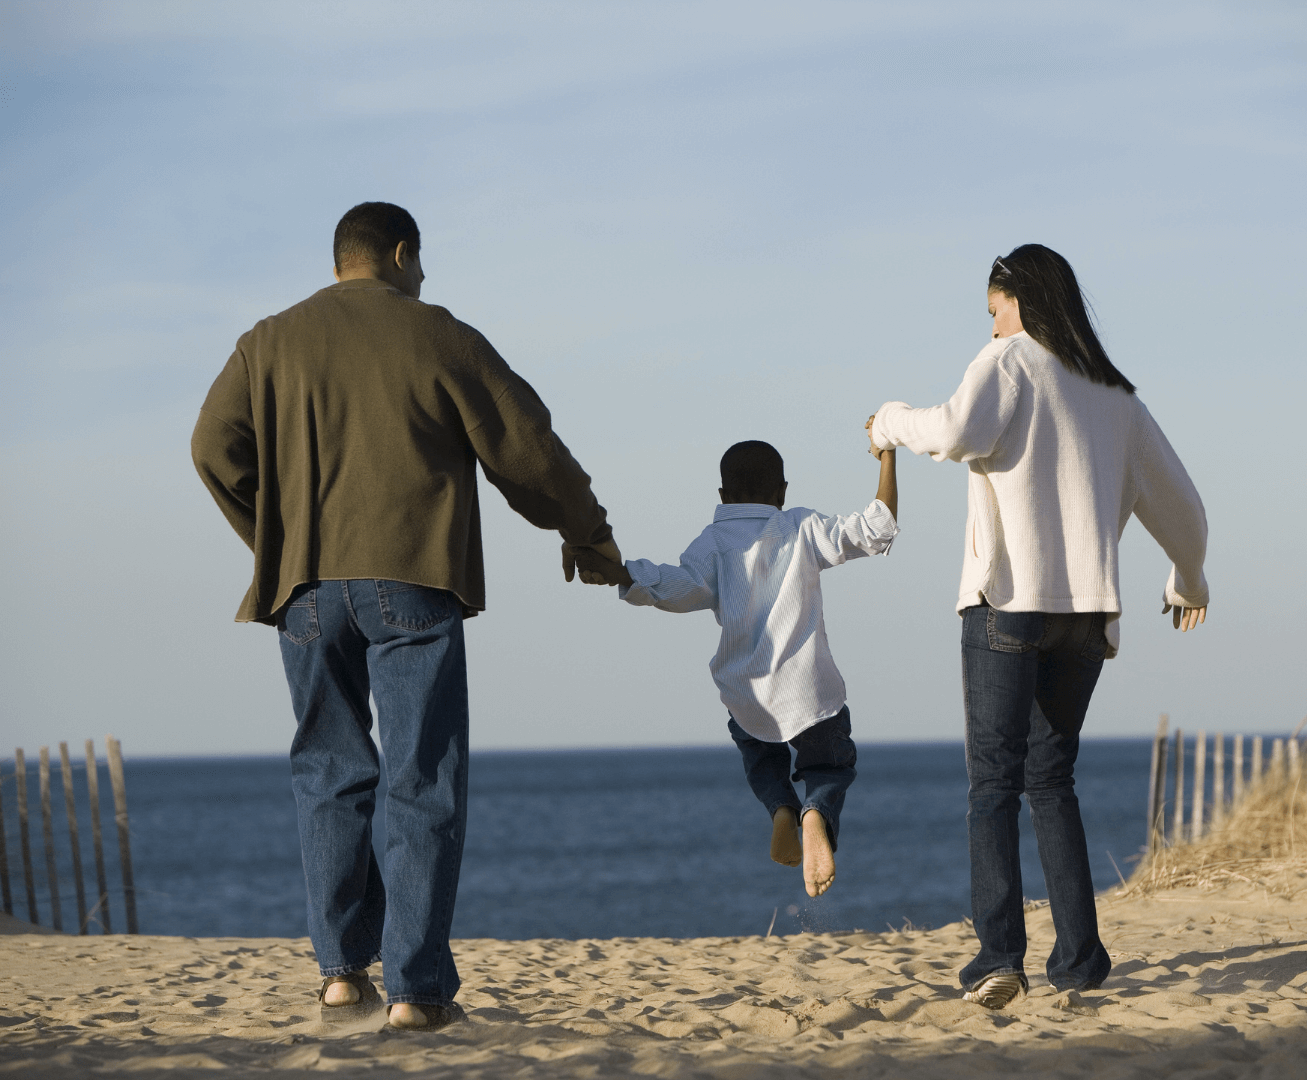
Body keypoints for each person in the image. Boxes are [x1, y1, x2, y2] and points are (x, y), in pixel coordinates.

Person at [190, 202, 622, 1030]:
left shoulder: (267, 340)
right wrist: (588, 535)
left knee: (329, 774)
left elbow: (212, 446)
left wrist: (274, 541)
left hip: (304, 588)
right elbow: (526, 447)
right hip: (411, 579)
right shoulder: (437, 333)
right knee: (421, 779)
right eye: (419, 266)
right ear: (399, 253)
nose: (423, 280)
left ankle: (342, 974)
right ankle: (418, 992)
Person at [866, 244, 1208, 1011]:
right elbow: (1184, 508)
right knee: (1052, 783)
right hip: (1086, 618)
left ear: (1019, 298)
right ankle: (1080, 964)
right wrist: (1188, 579)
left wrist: (887, 423)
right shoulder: (1116, 396)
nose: (991, 327)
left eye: (993, 310)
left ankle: (999, 959)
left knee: (993, 783)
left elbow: (954, 432)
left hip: (1007, 606)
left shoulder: (1009, 362)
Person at [576, 440, 897, 897]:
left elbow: (675, 587)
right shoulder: (801, 526)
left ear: (722, 495)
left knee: (761, 759)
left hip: (748, 696)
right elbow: (875, 530)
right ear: (782, 491)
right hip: (810, 692)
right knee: (830, 766)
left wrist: (620, 573)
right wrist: (888, 456)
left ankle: (781, 808)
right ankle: (814, 814)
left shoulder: (714, 543)